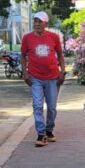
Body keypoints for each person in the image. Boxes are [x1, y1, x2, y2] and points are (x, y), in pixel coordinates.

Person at [21, 11, 66, 147]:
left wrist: (63, 72)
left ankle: (49, 130)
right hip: (35, 77)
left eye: (40, 21)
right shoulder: (27, 38)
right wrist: (25, 73)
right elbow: (23, 56)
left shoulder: (53, 37)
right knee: (37, 105)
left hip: (53, 77)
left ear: (46, 23)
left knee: (52, 108)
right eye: (35, 21)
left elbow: (60, 55)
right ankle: (41, 134)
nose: (37, 24)